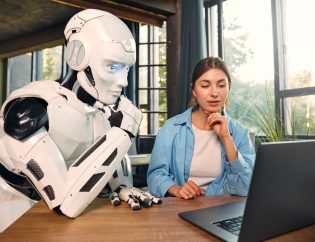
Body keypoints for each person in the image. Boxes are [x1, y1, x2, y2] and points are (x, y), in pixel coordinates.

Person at [0, 9, 158, 219]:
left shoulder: (100, 112)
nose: (124, 81)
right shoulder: (31, 109)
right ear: (78, 55)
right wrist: (123, 132)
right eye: (113, 66)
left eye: (127, 68)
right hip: (14, 215)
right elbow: (65, 203)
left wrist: (120, 186)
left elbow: (107, 164)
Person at [147, 57, 255, 199]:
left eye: (221, 85)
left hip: (221, 210)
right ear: (193, 90)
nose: (214, 93)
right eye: (205, 86)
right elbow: (155, 175)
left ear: (229, 88)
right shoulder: (172, 128)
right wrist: (176, 189)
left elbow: (245, 187)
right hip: (178, 209)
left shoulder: (239, 133)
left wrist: (226, 137)